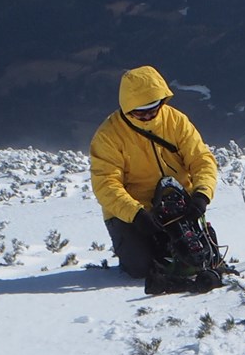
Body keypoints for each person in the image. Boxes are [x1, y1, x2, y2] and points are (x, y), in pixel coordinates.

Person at [90, 65, 221, 283]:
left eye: (154, 109)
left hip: (178, 204)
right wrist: (136, 213)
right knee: (142, 268)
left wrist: (201, 195)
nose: (148, 116)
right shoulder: (108, 136)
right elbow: (106, 184)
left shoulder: (176, 121)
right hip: (132, 211)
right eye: (141, 112)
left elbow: (201, 160)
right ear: (127, 108)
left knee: (199, 258)